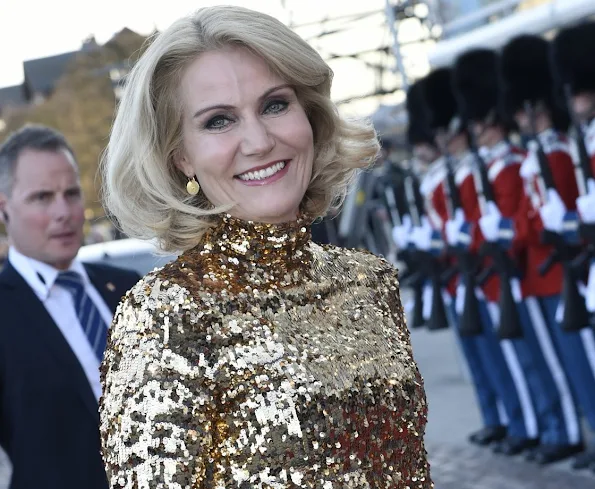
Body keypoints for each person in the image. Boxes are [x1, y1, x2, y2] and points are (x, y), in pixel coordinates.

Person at [99, 5, 432, 488]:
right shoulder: (168, 317)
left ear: (310, 117)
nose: (258, 140)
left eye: (275, 105)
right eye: (218, 121)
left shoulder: (371, 281)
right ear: (181, 157)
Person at [0, 124, 140, 489]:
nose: (63, 212)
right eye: (42, 197)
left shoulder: (129, 288)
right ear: (4, 209)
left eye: (72, 193)